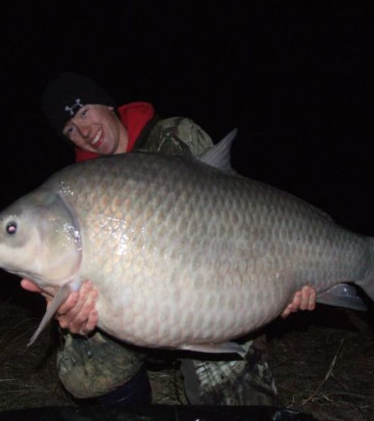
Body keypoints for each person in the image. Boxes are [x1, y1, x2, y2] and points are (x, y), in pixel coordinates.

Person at [21, 72, 317, 406]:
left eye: (84, 112)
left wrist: (282, 282)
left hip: (214, 291)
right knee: (83, 371)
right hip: (134, 314)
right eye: (71, 129)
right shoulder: (79, 192)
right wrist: (68, 314)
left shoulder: (173, 138)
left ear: (106, 102)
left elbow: (236, 211)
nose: (85, 131)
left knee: (239, 399)